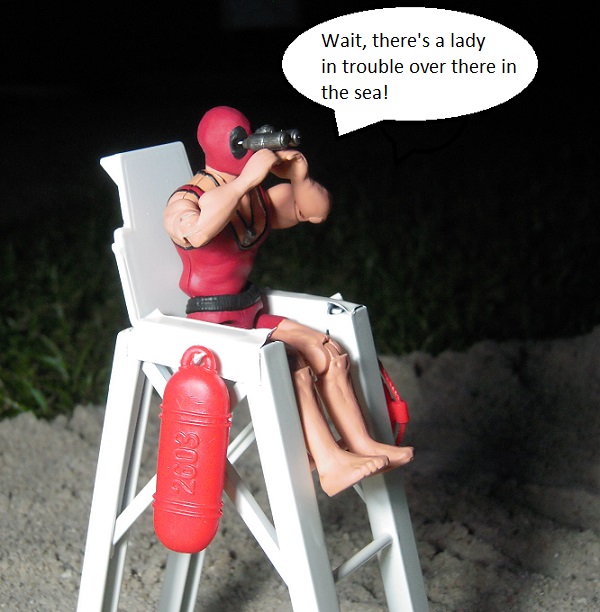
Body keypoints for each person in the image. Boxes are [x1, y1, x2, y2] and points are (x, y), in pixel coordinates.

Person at [164, 105, 413, 496]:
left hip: (248, 308)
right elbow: (193, 232)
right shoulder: (189, 196)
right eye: (239, 140)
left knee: (325, 349)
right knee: (292, 361)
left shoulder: (254, 199)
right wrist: (247, 179)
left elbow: (314, 211)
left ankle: (362, 444)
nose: (247, 148)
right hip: (211, 321)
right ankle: (329, 463)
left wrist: (300, 176)